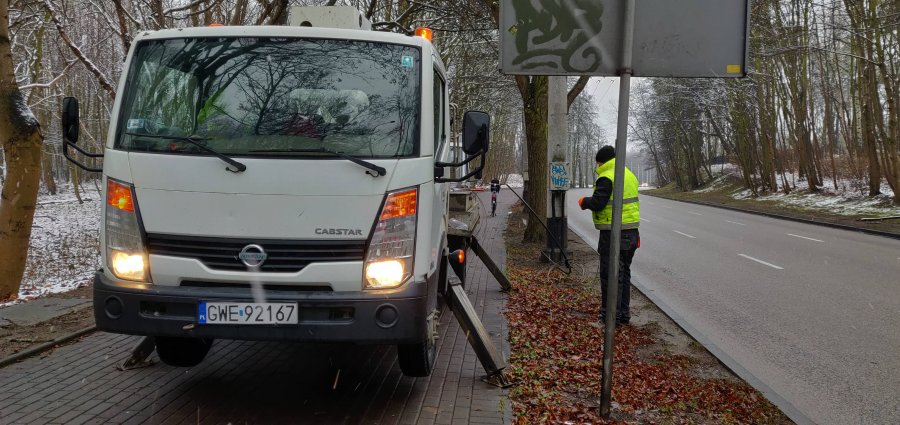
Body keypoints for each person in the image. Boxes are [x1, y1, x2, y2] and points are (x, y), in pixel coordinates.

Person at [578, 146, 640, 326]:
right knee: (624, 274)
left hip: (614, 233)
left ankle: (609, 319)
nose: (597, 165)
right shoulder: (629, 174)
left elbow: (598, 202)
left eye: (598, 162)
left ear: (602, 161)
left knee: (610, 276)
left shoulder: (607, 176)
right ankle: (622, 314)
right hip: (631, 231)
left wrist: (584, 202)